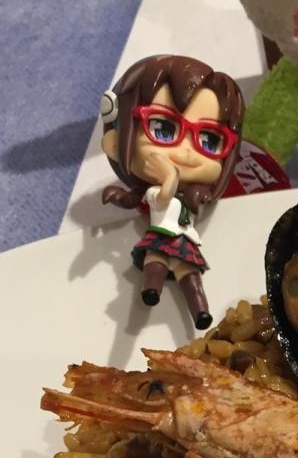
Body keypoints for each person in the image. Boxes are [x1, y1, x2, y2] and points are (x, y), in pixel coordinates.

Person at [100, 54, 244, 329]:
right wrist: (164, 179)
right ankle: (151, 291)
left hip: (184, 238)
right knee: (155, 260)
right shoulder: (154, 191)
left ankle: (201, 313)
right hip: (161, 234)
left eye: (209, 139)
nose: (186, 152)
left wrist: (171, 178)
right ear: (115, 141)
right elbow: (154, 197)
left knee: (189, 273)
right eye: (163, 128)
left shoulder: (194, 196)